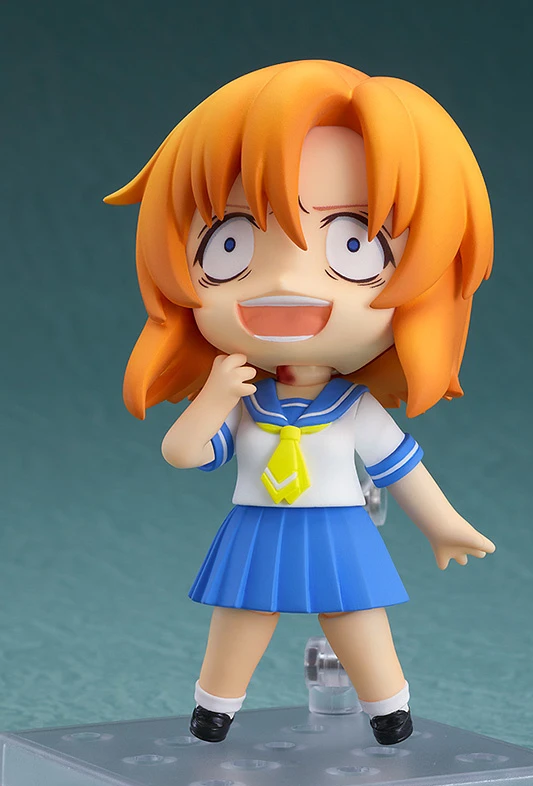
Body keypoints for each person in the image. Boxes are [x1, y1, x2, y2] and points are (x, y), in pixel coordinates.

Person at [105, 59, 496, 745]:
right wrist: (213, 397)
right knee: (240, 614)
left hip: (339, 528)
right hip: (256, 526)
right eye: (229, 244)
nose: (285, 278)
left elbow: (402, 469)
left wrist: (443, 524)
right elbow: (182, 453)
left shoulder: (354, 408)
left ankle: (389, 708)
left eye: (353, 244)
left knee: (356, 616)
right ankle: (214, 707)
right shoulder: (243, 399)